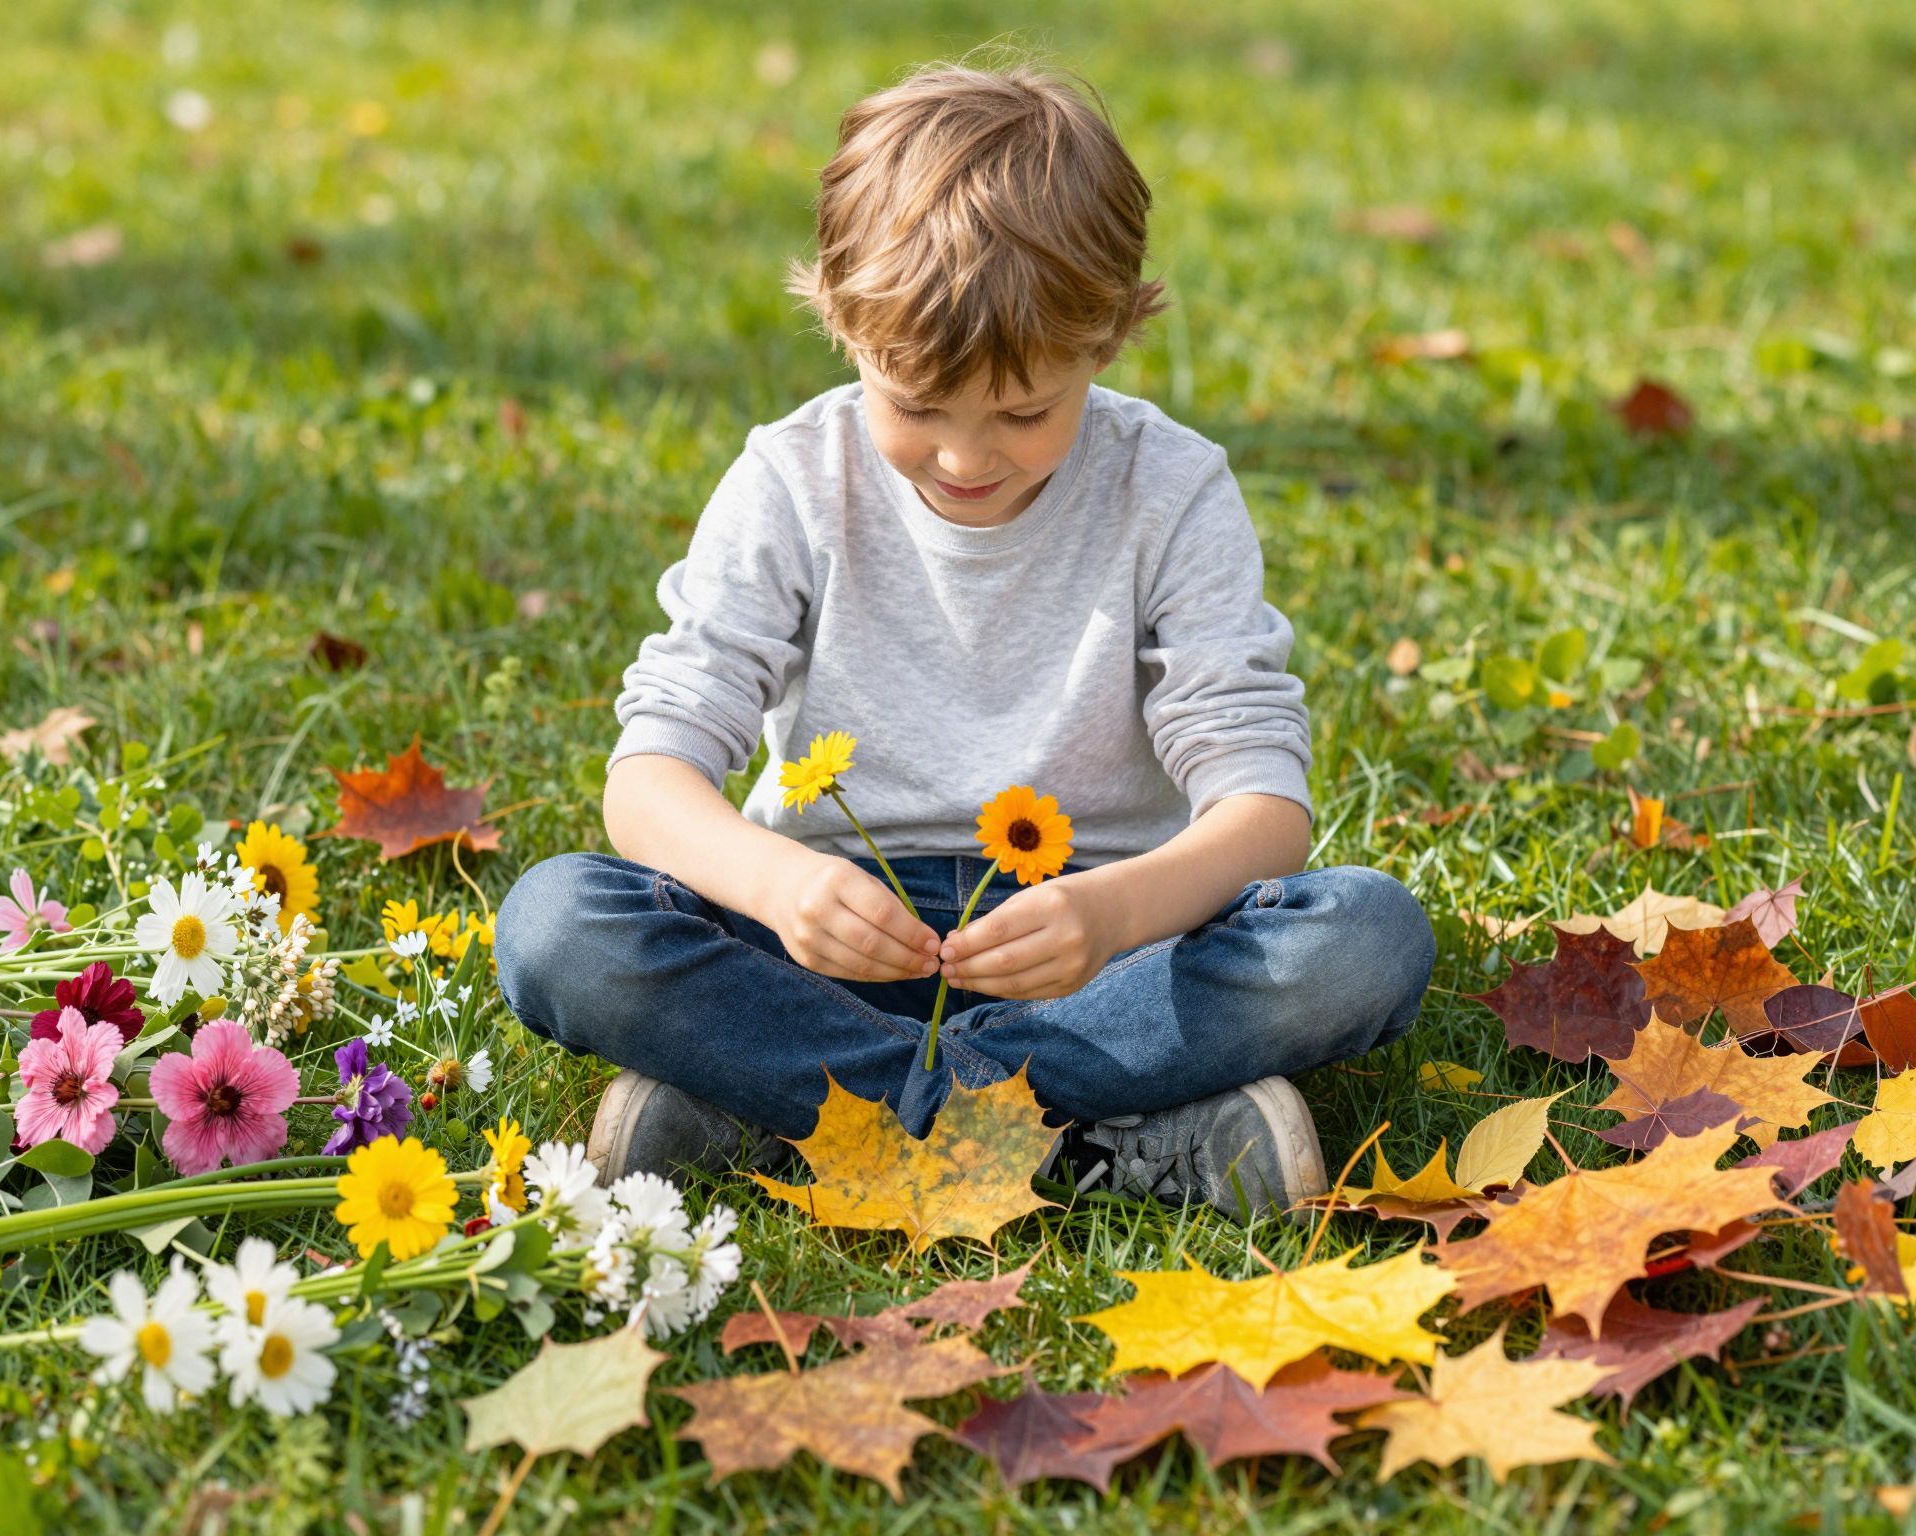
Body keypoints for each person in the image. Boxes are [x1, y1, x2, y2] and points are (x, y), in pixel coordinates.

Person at [497, 59, 1435, 1222]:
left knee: (1362, 938)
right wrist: (780, 883)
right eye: (915, 404)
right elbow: (648, 783)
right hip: (824, 949)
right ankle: (1087, 1128)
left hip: (1096, 959)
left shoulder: (1171, 491)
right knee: (555, 926)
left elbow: (1263, 814)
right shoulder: (792, 480)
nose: (963, 457)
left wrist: (1110, 918)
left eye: (1024, 413)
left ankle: (787, 1111)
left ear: (1106, 337)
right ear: (844, 327)